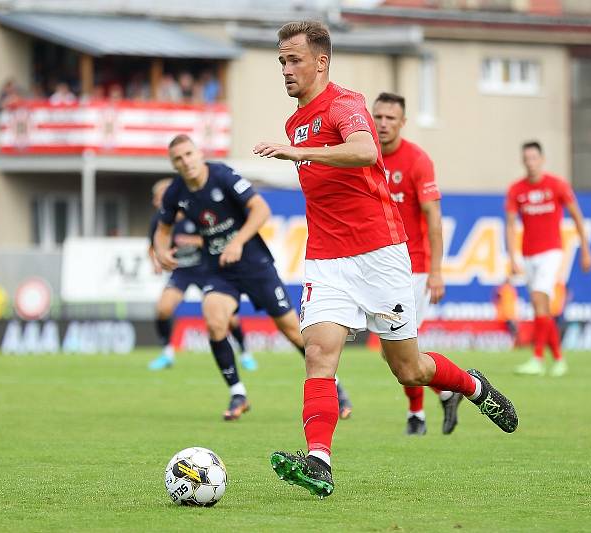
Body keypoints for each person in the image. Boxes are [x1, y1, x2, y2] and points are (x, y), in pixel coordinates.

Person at [253, 20, 518, 498]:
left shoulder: (346, 104)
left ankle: (474, 387)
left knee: (409, 369)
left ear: (321, 61)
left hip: (380, 254)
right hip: (327, 260)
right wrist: (295, 149)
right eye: (281, 62)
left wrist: (296, 151)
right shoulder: (295, 121)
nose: (286, 70)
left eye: (293, 60)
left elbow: (362, 150)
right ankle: (319, 460)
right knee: (318, 354)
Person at [154, 134, 354, 421]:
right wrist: (161, 251)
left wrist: (237, 242)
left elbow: (261, 210)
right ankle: (238, 393)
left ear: (198, 154)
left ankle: (334, 387)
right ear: (174, 164)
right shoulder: (176, 191)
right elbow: (163, 227)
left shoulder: (221, 175)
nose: (185, 162)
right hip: (220, 270)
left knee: (290, 329)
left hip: (254, 263)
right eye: (178, 159)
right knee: (214, 321)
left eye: (188, 154)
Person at [372, 92, 463, 437]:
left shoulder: (417, 160)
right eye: (378, 116)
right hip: (377, 264)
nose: (382, 124)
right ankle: (445, 390)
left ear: (403, 123)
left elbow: (434, 219)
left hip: (414, 267)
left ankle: (416, 416)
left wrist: (437, 271)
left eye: (390, 118)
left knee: (402, 350)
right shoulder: (365, 155)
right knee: (390, 353)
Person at [146, 178, 256, 371]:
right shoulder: (160, 220)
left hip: (207, 268)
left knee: (229, 318)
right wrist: (156, 262)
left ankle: (245, 352)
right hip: (182, 270)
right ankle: (167, 353)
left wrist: (192, 240)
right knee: (163, 308)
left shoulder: (193, 212)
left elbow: (214, 238)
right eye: (159, 198)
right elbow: (152, 246)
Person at [505, 141, 591, 377]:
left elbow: (576, 216)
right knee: (540, 307)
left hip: (551, 251)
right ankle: (558, 358)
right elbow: (511, 225)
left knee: (538, 299)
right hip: (528, 254)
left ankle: (536, 358)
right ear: (523, 161)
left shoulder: (557, 185)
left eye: (534, 158)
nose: (531, 163)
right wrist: (513, 256)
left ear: (542, 160)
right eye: (527, 159)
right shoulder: (516, 190)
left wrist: (585, 249)